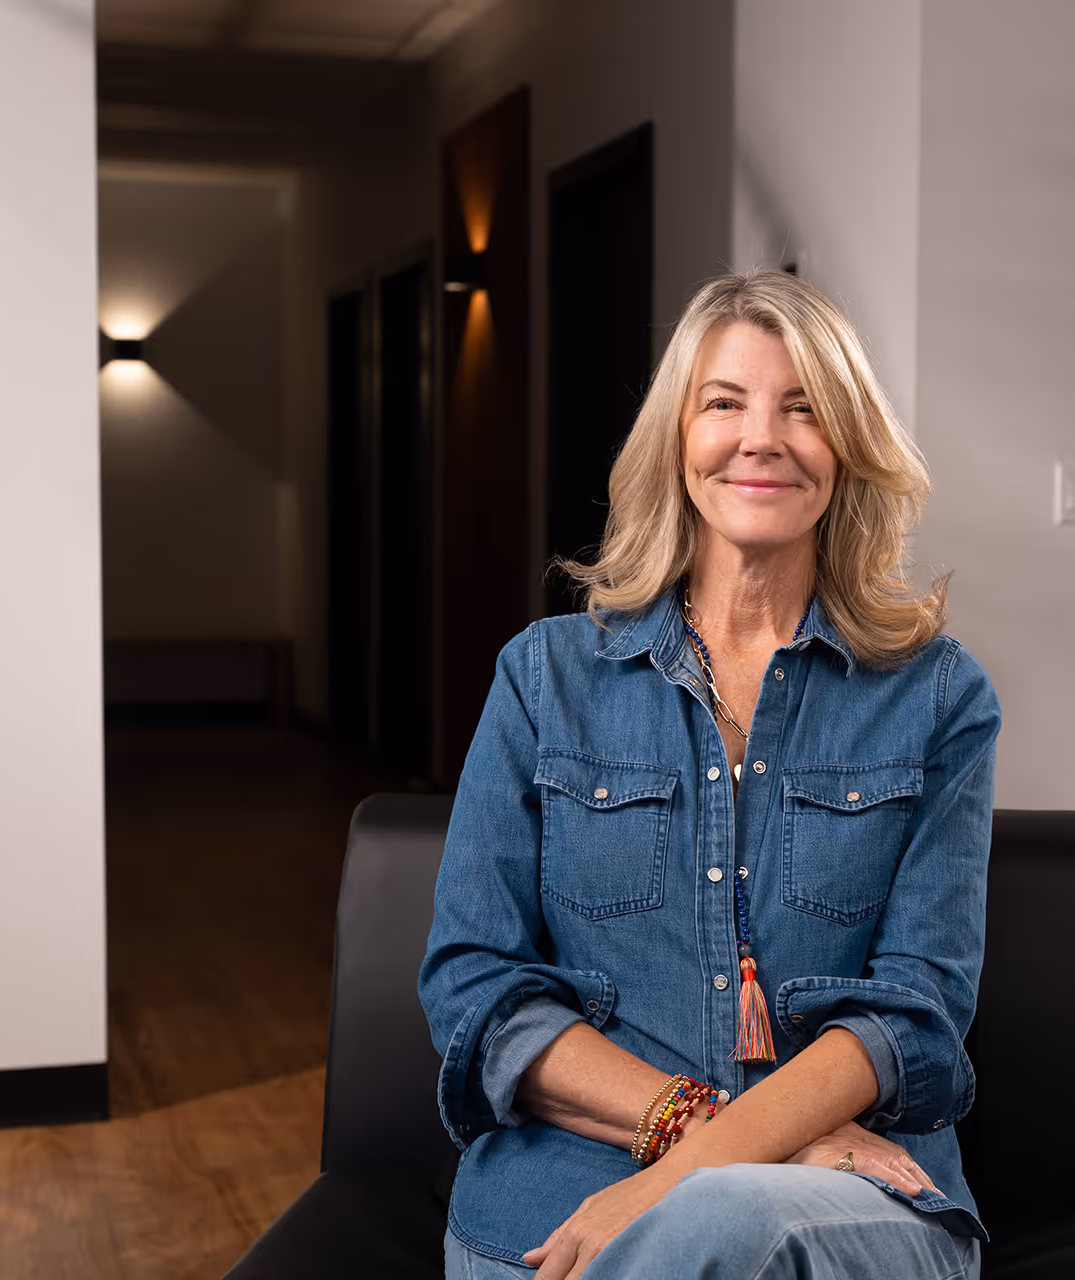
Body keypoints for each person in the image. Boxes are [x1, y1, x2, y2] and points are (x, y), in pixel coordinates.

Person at [420, 270, 999, 1280]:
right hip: (561, 1192)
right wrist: (721, 1131)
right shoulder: (542, 678)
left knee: (732, 1218)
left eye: (803, 408)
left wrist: (702, 1174)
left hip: (848, 1199)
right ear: (676, 438)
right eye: (724, 402)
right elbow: (477, 987)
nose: (761, 438)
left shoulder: (939, 696)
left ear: (848, 446)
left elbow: (916, 1010)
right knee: (715, 1215)